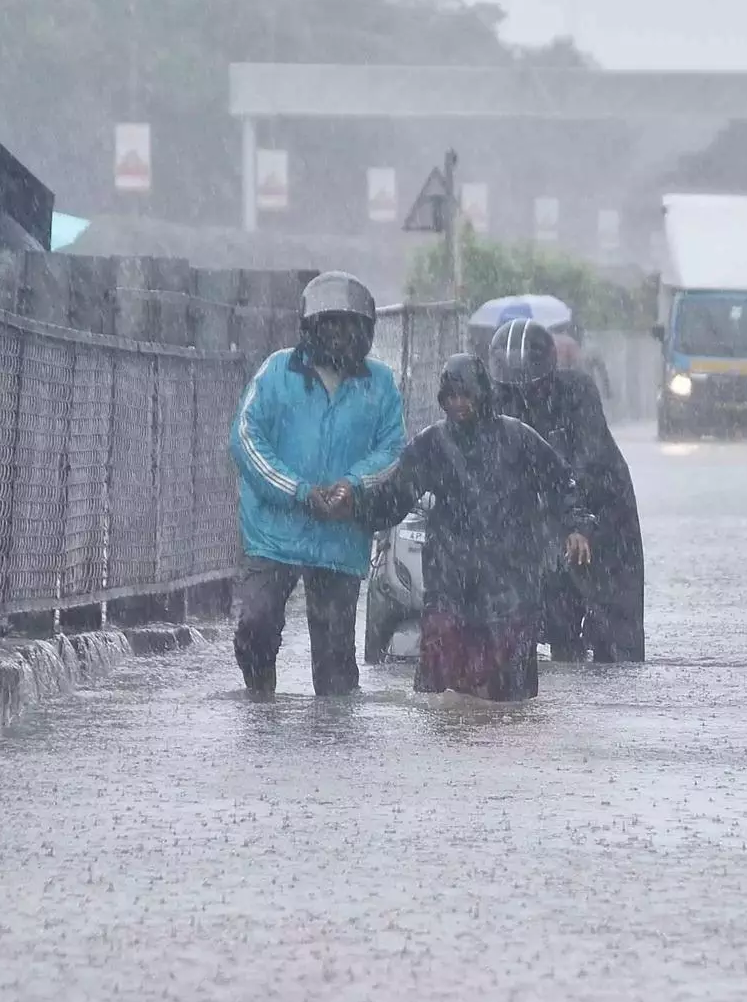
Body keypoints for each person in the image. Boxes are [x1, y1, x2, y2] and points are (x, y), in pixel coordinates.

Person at [346, 355, 593, 702]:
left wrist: (576, 526)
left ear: (483, 394)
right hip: (450, 581)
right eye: (450, 397)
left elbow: (562, 483)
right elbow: (393, 498)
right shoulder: (431, 445)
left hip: (511, 586)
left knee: (511, 699)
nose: (458, 405)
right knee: (440, 692)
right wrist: (354, 508)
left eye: (466, 395)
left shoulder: (518, 438)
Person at [229, 271, 407, 700]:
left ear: (365, 332)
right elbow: (247, 438)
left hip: (340, 535)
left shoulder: (380, 384)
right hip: (275, 532)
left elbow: (392, 449)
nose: (340, 338)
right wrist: (298, 491)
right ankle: (259, 702)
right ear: (310, 329)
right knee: (257, 624)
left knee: (335, 662)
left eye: (350, 327)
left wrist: (352, 485)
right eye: (330, 326)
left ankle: (335, 747)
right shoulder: (276, 371)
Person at [487, 317, 646, 663]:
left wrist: (576, 521)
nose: (522, 396)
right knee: (543, 607)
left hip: (603, 505)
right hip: (544, 511)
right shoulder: (495, 399)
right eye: (513, 389)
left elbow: (588, 461)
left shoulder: (578, 392)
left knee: (613, 625)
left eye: (531, 387)